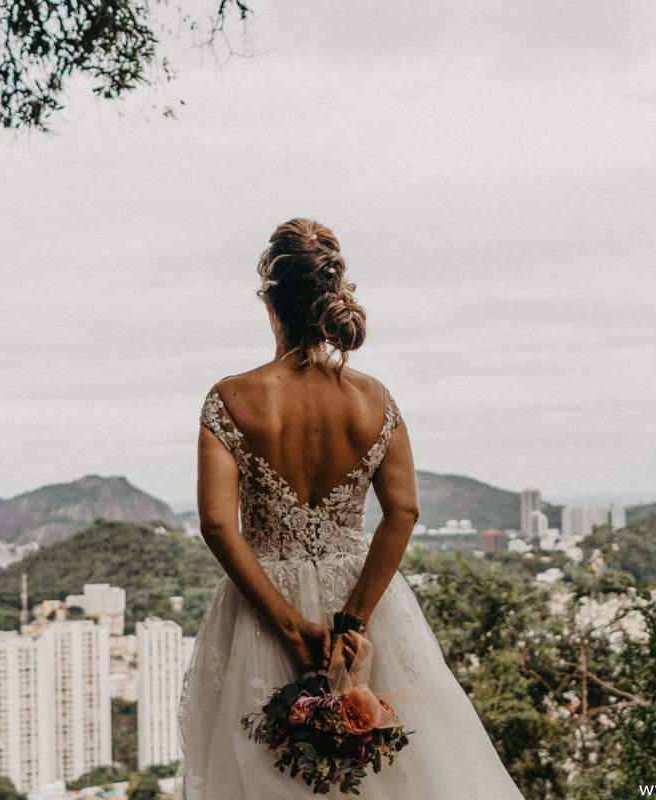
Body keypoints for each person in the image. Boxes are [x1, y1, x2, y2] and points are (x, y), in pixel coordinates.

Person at [174, 218, 526, 799]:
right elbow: (403, 512)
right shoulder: (375, 400)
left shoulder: (231, 398)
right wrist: (354, 622)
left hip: (264, 607)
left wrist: (288, 625)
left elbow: (216, 522)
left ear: (270, 302)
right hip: (360, 599)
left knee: (265, 770)